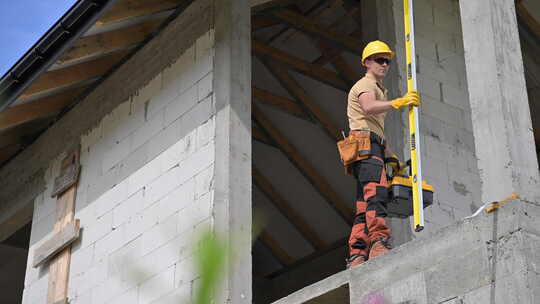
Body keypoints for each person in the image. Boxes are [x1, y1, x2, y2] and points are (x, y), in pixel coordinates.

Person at [346, 40, 420, 268]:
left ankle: (357, 254)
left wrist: (390, 155)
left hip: (371, 144)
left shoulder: (378, 88)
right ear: (367, 62)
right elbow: (368, 108)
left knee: (364, 202)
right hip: (366, 146)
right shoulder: (366, 84)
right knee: (376, 195)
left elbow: (373, 127)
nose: (385, 64)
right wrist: (398, 102)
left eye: (387, 61)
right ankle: (378, 243)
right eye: (380, 60)